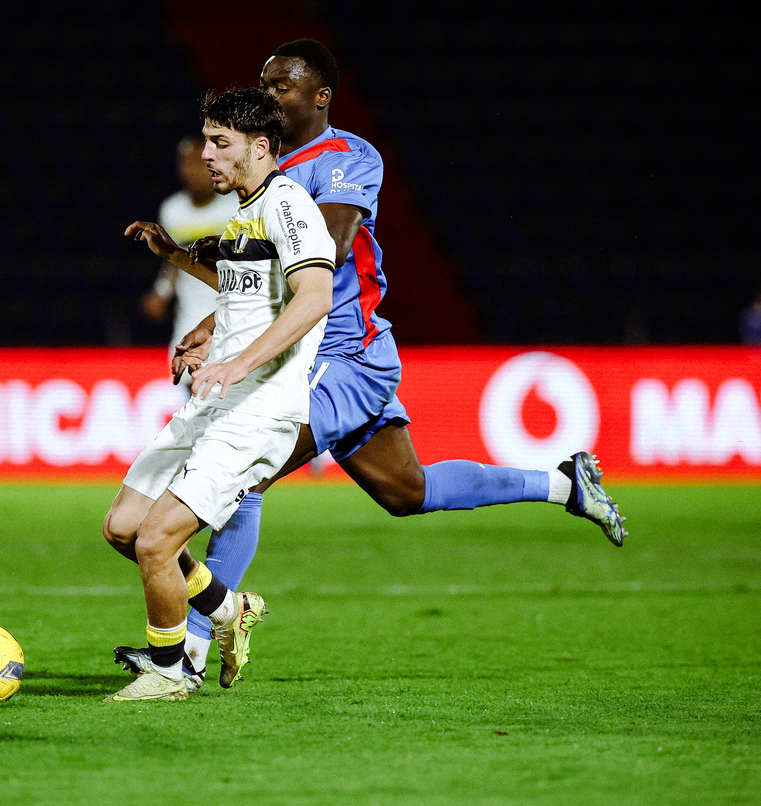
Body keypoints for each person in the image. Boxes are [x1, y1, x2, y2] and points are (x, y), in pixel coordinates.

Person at [115, 38, 628, 689]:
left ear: (319, 97)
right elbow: (262, 281)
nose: (269, 97)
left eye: (281, 88)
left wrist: (236, 297)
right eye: (263, 86)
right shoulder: (262, 174)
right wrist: (212, 321)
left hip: (341, 354)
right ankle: (565, 483)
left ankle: (189, 648)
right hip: (313, 354)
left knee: (240, 474)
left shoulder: (346, 158)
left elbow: (324, 252)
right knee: (407, 491)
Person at [102, 88, 337, 701]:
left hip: (259, 408)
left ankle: (170, 671)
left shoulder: (288, 206)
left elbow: (316, 296)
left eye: (219, 142)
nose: (205, 153)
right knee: (124, 528)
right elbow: (241, 293)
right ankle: (230, 609)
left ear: (259, 147)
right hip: (215, 401)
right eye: (206, 140)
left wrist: (238, 364)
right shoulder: (244, 212)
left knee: (157, 540)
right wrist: (175, 258)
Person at [139, 135, 238, 360]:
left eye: (201, 164)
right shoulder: (172, 211)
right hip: (189, 314)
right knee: (182, 370)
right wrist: (161, 292)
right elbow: (172, 261)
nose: (194, 171)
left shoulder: (235, 207)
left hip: (230, 313)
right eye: (188, 163)